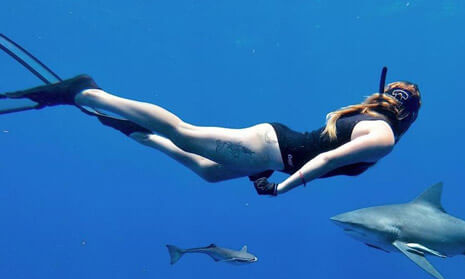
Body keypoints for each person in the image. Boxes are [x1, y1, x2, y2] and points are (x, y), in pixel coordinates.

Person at [2, 68, 421, 196]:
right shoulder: (383, 138)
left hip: (273, 153)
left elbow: (323, 149)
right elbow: (326, 158)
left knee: (208, 171)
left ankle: (134, 131)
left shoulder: (366, 118)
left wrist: (272, 175)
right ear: (409, 119)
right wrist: (285, 188)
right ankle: (86, 94)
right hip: (271, 149)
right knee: (185, 132)